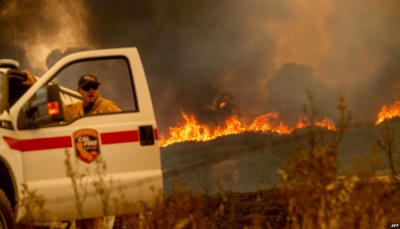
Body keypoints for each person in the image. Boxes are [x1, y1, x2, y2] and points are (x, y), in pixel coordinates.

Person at [22, 71, 121, 122]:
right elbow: (55, 105)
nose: (91, 90)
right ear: (79, 91)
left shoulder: (108, 107)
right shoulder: (73, 110)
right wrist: (35, 85)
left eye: (94, 87)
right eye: (86, 88)